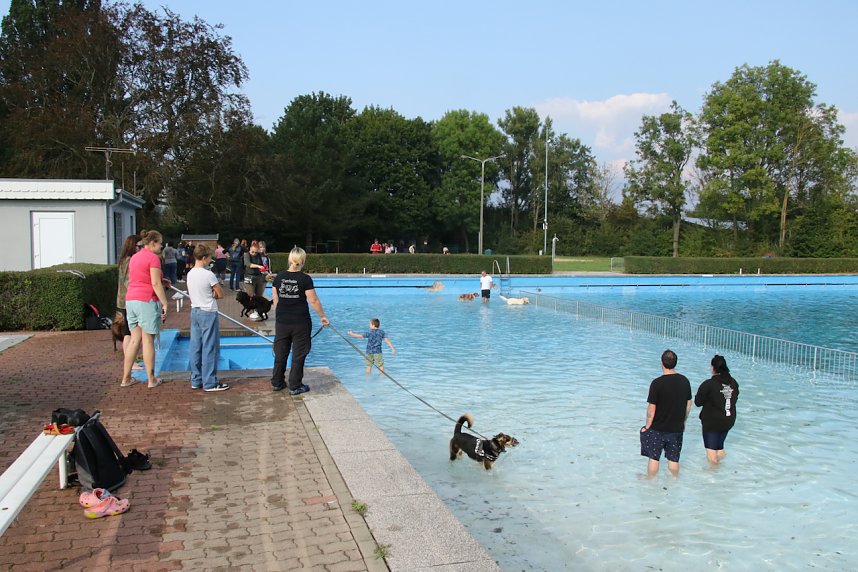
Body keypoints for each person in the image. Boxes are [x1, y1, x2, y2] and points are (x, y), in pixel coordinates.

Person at [270, 247, 330, 395]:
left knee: (280, 352)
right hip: (300, 322)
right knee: (299, 354)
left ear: (289, 259)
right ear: (302, 261)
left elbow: (276, 301)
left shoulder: (279, 277)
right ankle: (295, 385)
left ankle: (277, 382)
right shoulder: (305, 279)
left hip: (282, 321)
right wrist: (322, 316)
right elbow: (313, 300)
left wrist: (280, 316)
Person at [120, 230, 169, 389]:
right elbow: (155, 284)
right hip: (146, 300)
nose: (161, 246)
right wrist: (165, 303)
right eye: (160, 243)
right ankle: (151, 379)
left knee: (134, 340)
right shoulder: (153, 258)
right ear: (153, 242)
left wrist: (162, 280)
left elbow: (141, 278)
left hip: (131, 300)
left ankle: (126, 378)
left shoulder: (134, 257)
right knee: (148, 340)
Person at [640, 349, 692, 477]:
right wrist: (683, 422)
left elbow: (651, 409)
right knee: (674, 459)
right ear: (675, 363)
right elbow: (689, 403)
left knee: (654, 458)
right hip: (676, 427)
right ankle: (674, 480)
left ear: (662, 363)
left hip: (658, 428)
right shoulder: (684, 381)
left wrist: (647, 426)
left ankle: (650, 480)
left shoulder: (657, 383)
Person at [186, 244, 229, 392]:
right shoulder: (208, 274)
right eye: (210, 258)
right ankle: (210, 382)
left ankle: (196, 379)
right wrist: (213, 293)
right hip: (208, 312)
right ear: (204, 258)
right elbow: (221, 294)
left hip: (195, 311)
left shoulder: (190, 273)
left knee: (196, 346)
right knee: (210, 347)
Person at [695, 354, 739, 464]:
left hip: (712, 422)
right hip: (729, 419)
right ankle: (723, 470)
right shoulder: (733, 382)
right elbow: (735, 398)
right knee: (719, 449)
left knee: (711, 455)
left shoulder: (708, 384)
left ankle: (715, 476)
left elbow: (698, 402)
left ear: (713, 368)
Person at [115, 234, 140, 362]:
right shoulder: (132, 261)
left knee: (126, 332)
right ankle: (131, 361)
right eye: (138, 246)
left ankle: (130, 360)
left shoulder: (123, 260)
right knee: (130, 333)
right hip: (129, 300)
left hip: (121, 299)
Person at [242, 241, 267, 320]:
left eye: (255, 252)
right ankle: (251, 311)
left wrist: (265, 271)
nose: (254, 253)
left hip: (259, 277)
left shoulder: (259, 255)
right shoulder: (246, 255)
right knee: (251, 295)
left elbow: (262, 265)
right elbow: (248, 264)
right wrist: (258, 266)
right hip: (249, 277)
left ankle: (258, 311)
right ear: (250, 249)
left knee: (259, 295)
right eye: (252, 252)